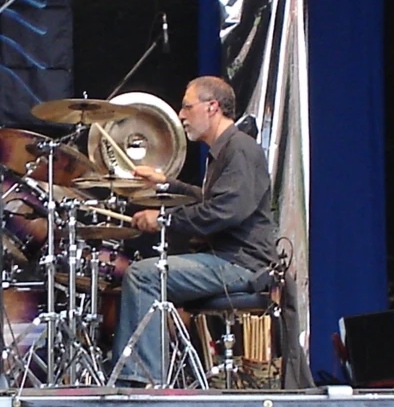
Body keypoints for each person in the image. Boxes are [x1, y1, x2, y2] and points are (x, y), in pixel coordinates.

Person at [111, 75, 279, 387]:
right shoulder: (225, 150)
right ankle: (151, 375)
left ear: (212, 107)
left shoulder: (239, 149)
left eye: (187, 107)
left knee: (143, 274)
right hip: (229, 259)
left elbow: (225, 211)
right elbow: (212, 200)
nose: (181, 115)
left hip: (241, 264)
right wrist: (164, 184)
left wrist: (163, 219)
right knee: (147, 272)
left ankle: (140, 382)